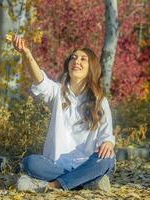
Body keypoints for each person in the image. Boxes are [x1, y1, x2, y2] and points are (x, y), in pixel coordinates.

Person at [12, 35, 116, 192]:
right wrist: (27, 53)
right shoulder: (57, 92)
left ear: (91, 68)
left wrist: (108, 143)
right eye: (73, 58)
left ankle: (53, 185)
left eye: (83, 59)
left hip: (89, 161)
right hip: (57, 164)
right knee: (30, 163)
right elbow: (40, 80)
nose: (77, 61)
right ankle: (87, 181)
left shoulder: (99, 100)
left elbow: (106, 135)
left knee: (106, 159)